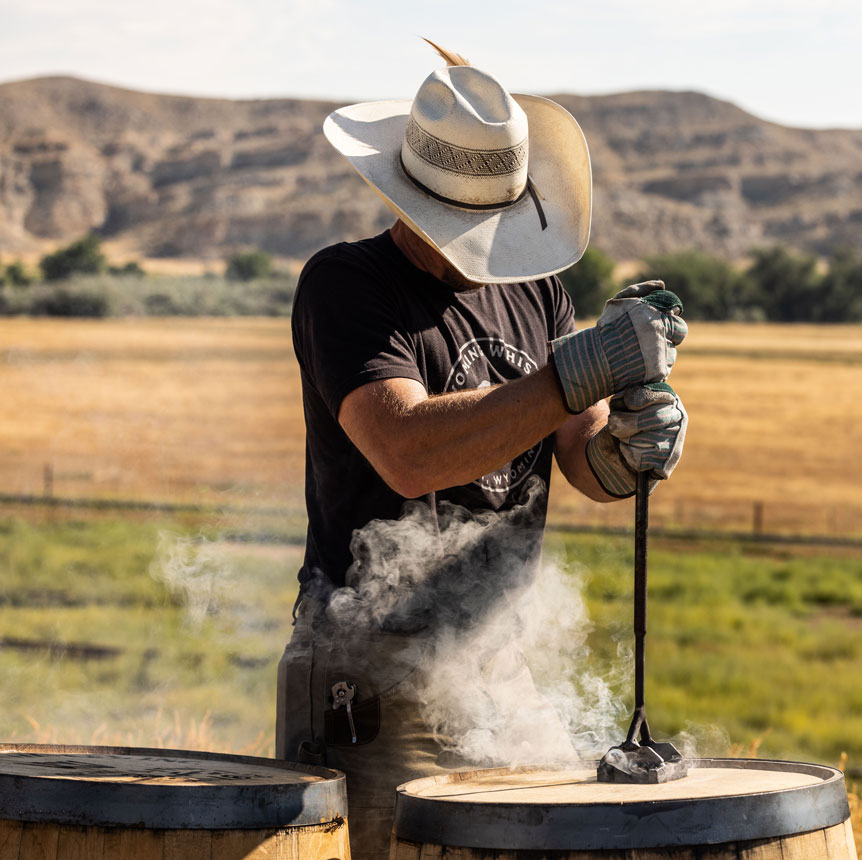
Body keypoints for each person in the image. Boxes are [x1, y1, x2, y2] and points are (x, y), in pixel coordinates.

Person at [274, 47, 688, 860]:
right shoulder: (346, 285)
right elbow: (408, 450)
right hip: (370, 672)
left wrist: (632, 443)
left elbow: (581, 449)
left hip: (497, 662)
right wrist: (577, 370)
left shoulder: (536, 289)